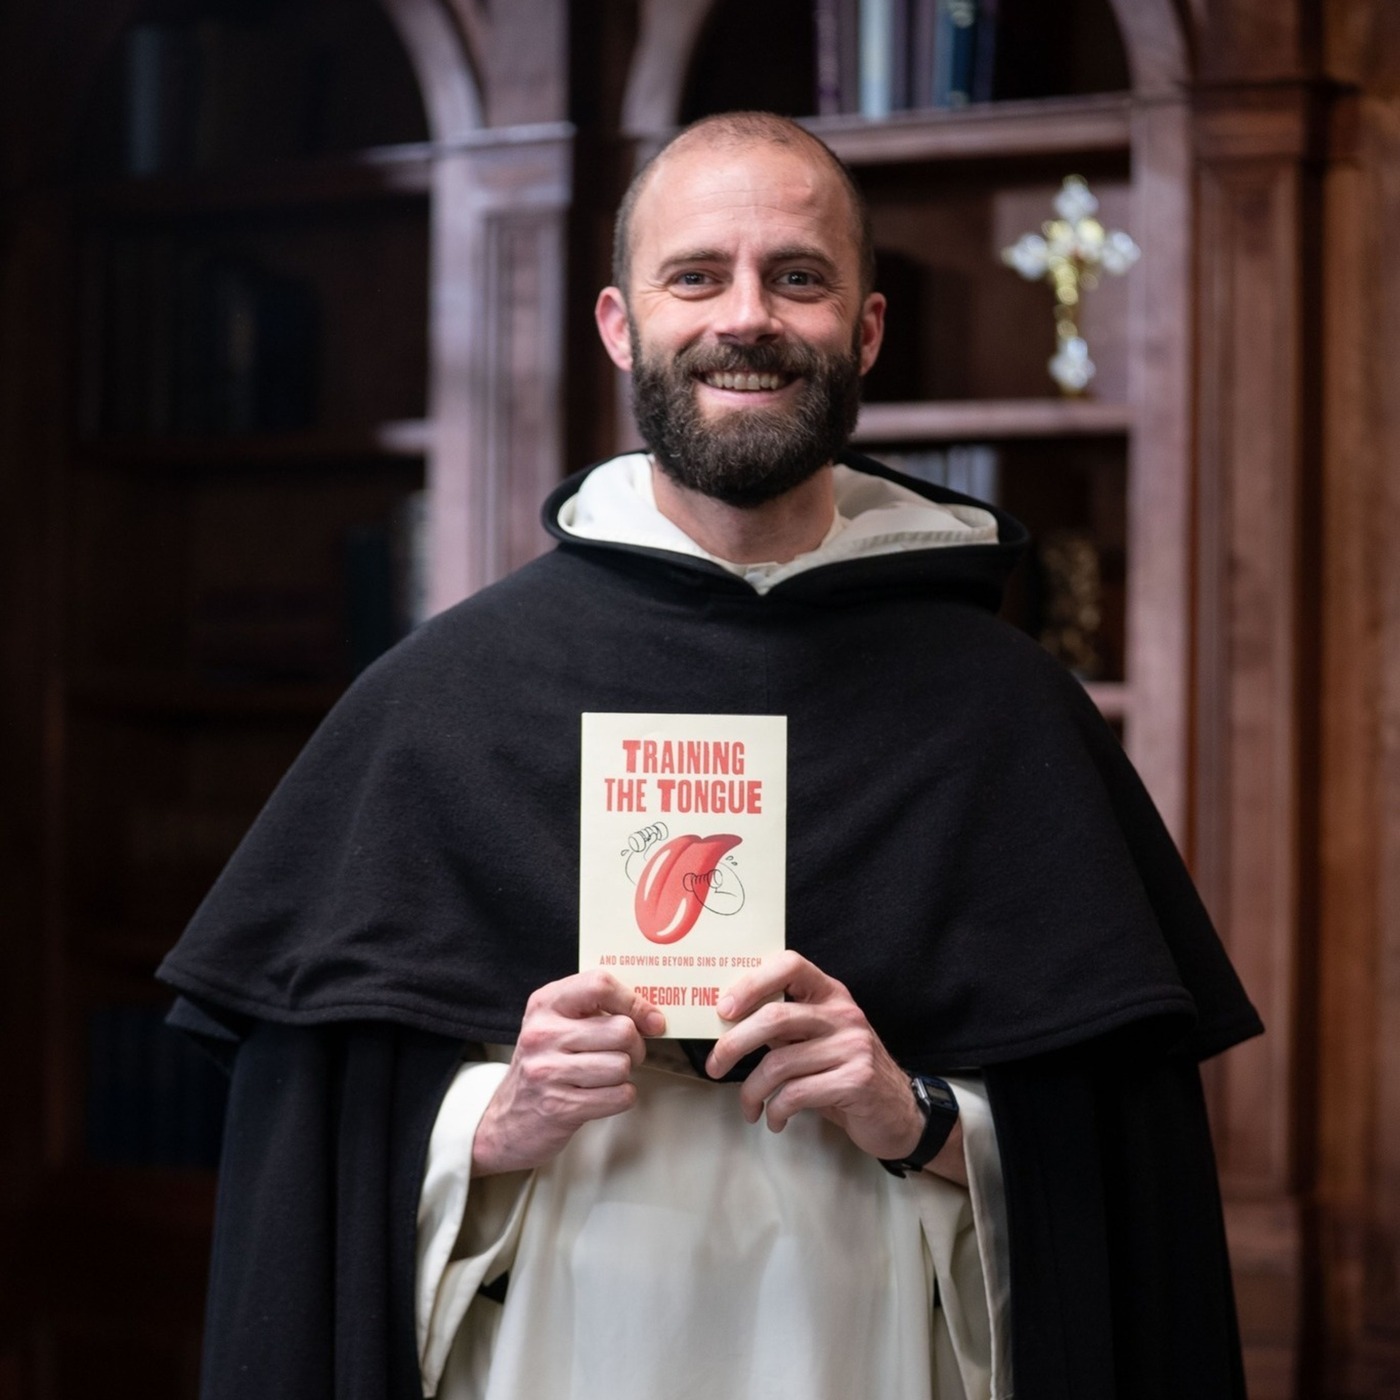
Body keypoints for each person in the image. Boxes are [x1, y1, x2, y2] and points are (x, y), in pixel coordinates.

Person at [160, 112, 1262, 1400]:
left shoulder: (1006, 713)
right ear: (623, 327)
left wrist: (917, 1118)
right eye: (699, 276)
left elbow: (1125, 1174)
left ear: (864, 330)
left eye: (798, 276)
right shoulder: (443, 699)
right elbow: (310, 1156)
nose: (748, 317)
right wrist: (493, 1121)